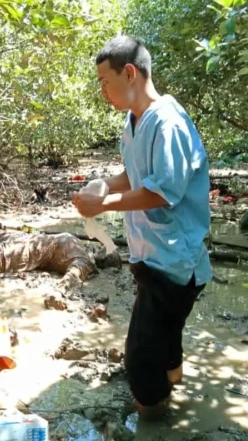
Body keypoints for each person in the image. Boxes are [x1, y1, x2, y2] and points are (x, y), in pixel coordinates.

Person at [72, 35, 212, 420]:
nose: (102, 90)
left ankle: (156, 420)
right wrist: (104, 184)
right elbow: (133, 175)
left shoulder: (167, 122)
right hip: (152, 258)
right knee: (164, 339)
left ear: (129, 73)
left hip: (176, 264)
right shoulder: (133, 121)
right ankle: (173, 392)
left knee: (139, 359)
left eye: (104, 81)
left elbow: (162, 192)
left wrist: (104, 203)